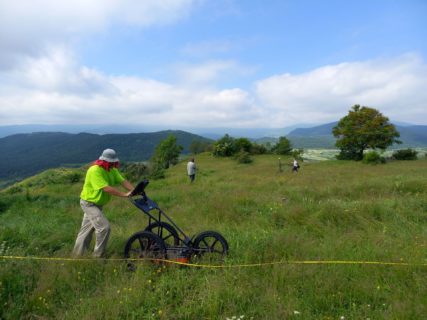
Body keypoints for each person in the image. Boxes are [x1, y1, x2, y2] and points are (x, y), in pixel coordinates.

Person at [72, 148, 134, 258]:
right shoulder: (95, 170)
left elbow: (122, 181)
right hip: (89, 203)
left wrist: (134, 190)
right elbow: (105, 188)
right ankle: (98, 257)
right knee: (104, 228)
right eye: (110, 163)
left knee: (86, 231)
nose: (112, 165)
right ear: (104, 161)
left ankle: (77, 256)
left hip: (98, 205)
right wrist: (124, 195)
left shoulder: (112, 170)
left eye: (113, 163)